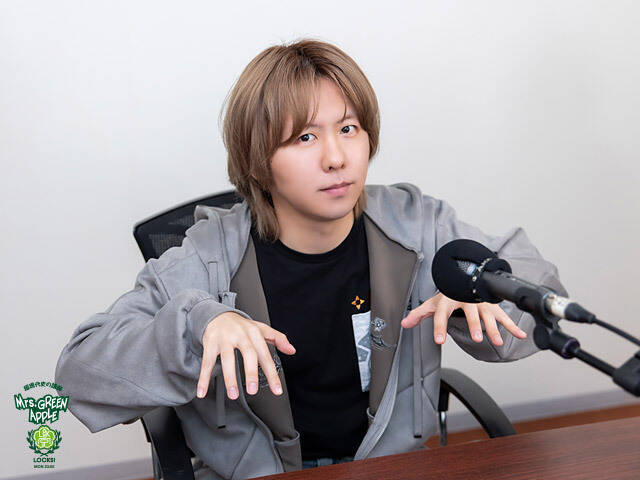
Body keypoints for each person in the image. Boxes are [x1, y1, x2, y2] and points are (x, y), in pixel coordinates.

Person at [55, 38, 568, 479]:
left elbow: (544, 293)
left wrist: (486, 293)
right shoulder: (208, 257)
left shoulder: (418, 225)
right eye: (304, 137)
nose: (336, 158)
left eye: (348, 129)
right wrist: (196, 329)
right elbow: (78, 373)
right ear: (259, 159)